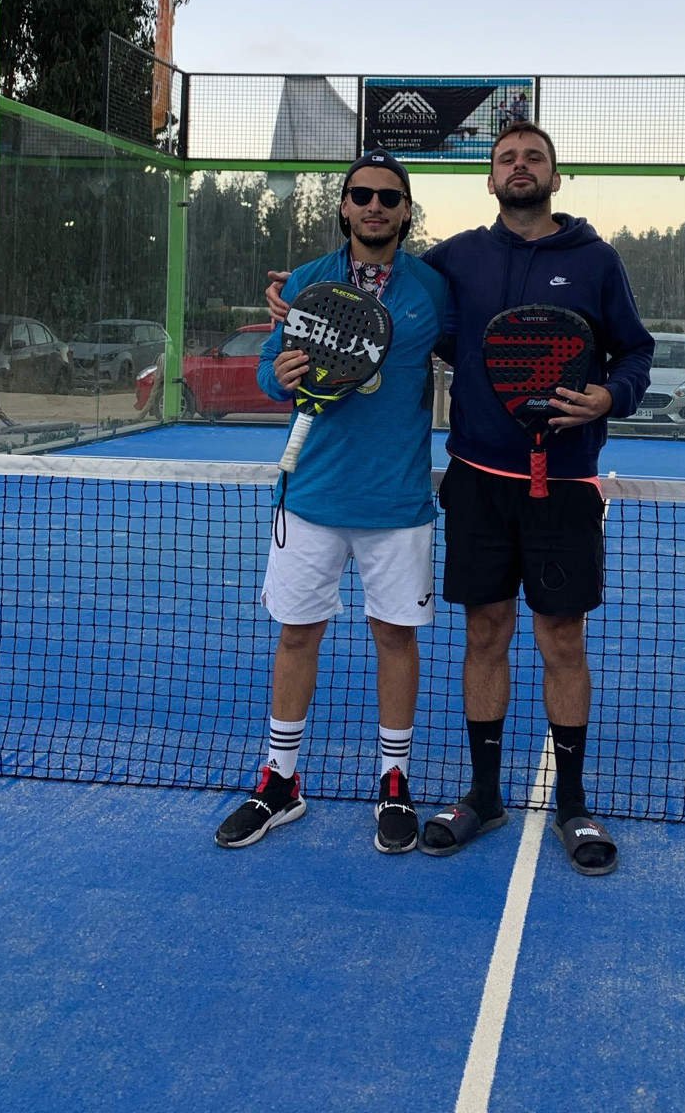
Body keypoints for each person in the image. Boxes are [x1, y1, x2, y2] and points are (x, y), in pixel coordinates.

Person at [266, 121, 651, 873]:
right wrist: (294, 297)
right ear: (490, 177)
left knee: (562, 639)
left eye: (533, 157)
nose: (519, 166)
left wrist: (613, 395)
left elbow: (635, 350)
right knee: (484, 634)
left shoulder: (597, 260)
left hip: (565, 480)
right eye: (507, 158)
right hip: (476, 478)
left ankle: (573, 804)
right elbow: (371, 286)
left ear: (555, 176)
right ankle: (484, 795)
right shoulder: (458, 260)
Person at [216, 149, 446, 855]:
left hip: (397, 502)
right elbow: (269, 369)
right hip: (310, 497)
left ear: (406, 211)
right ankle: (280, 781)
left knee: (395, 639)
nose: (375, 206)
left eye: (389, 196)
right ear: (344, 206)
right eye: (362, 194)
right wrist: (280, 373)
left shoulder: (433, 290)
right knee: (296, 635)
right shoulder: (306, 282)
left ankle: (394, 781)